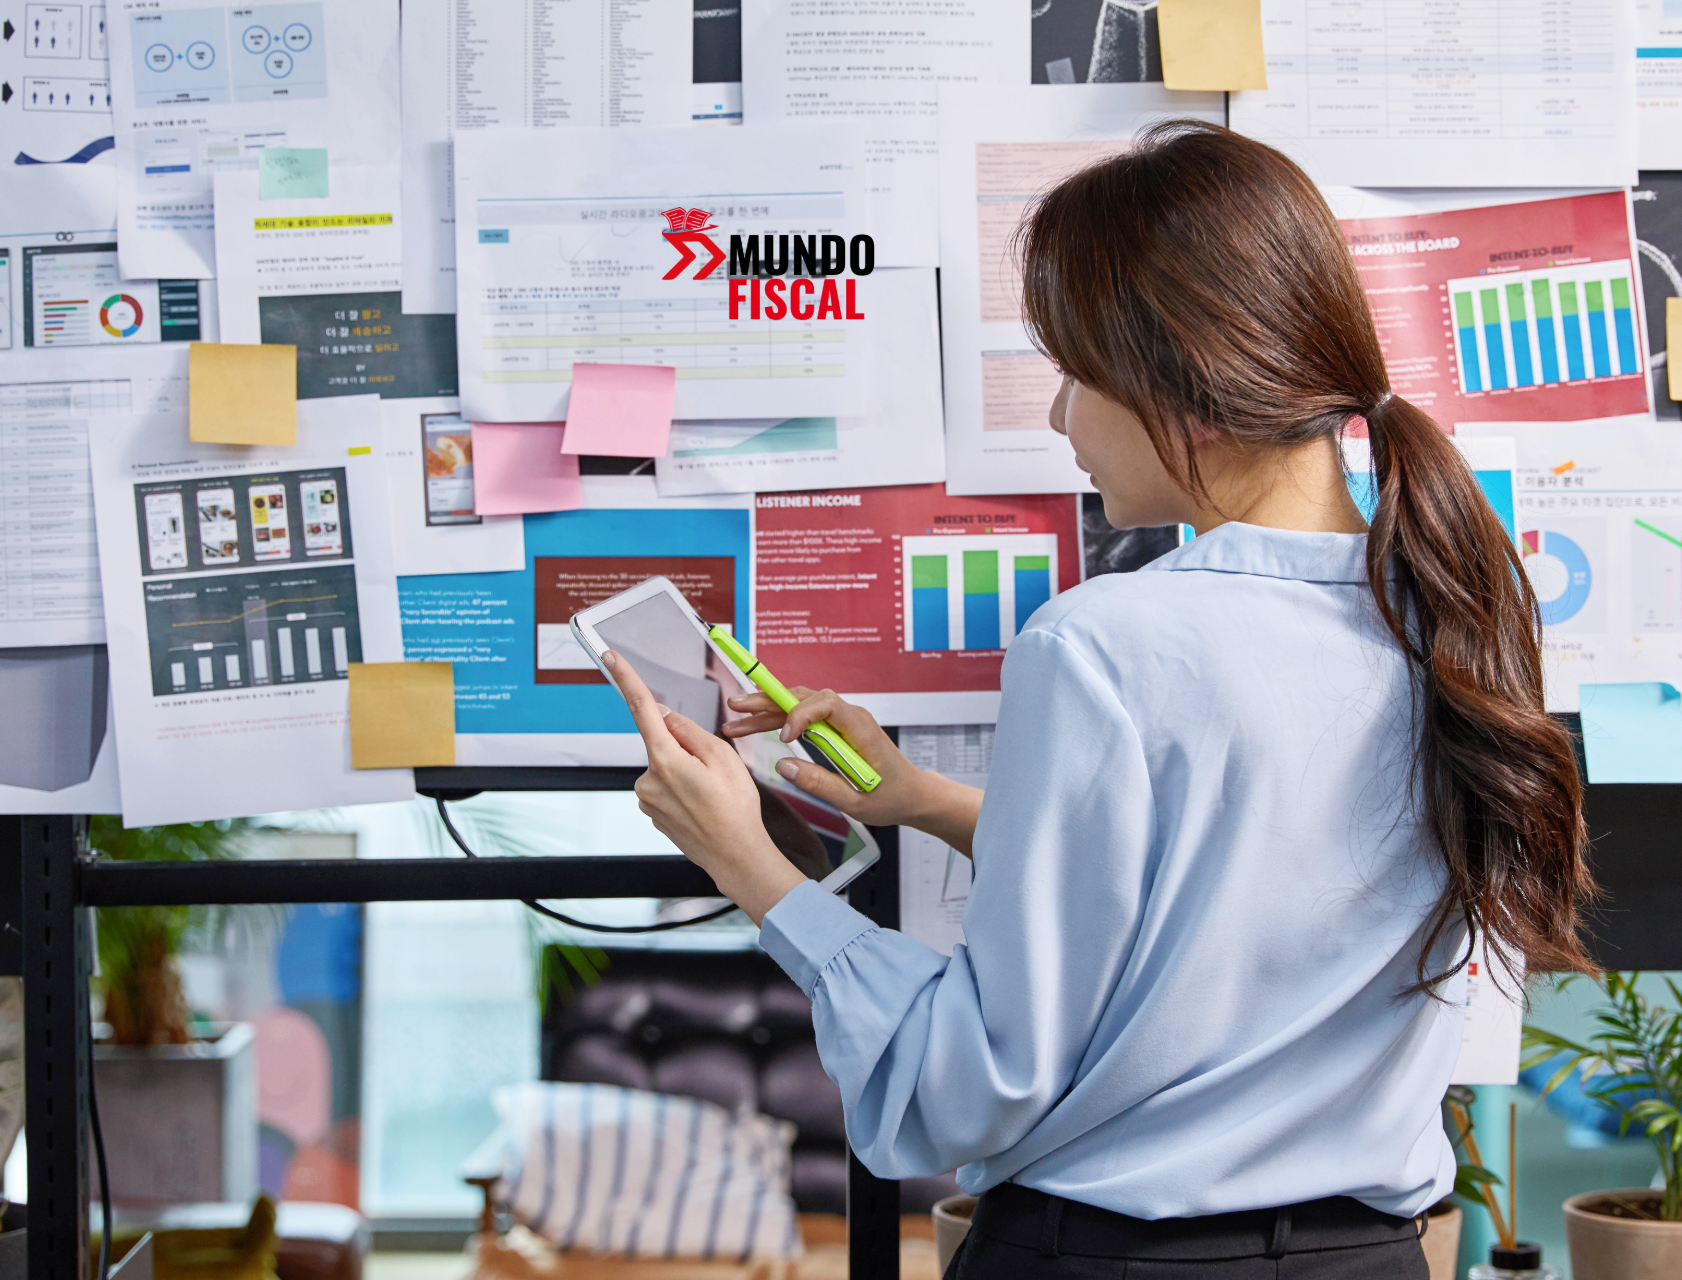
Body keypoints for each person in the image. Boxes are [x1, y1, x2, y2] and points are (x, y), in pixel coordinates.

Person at [600, 121, 1594, 1278]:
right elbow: (1234, 891)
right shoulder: (1453, 618)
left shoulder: (1101, 642)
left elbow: (966, 1084)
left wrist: (751, 866)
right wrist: (925, 801)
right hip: (1371, 1259)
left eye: (1075, 374)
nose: (1058, 416)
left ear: (1191, 390)